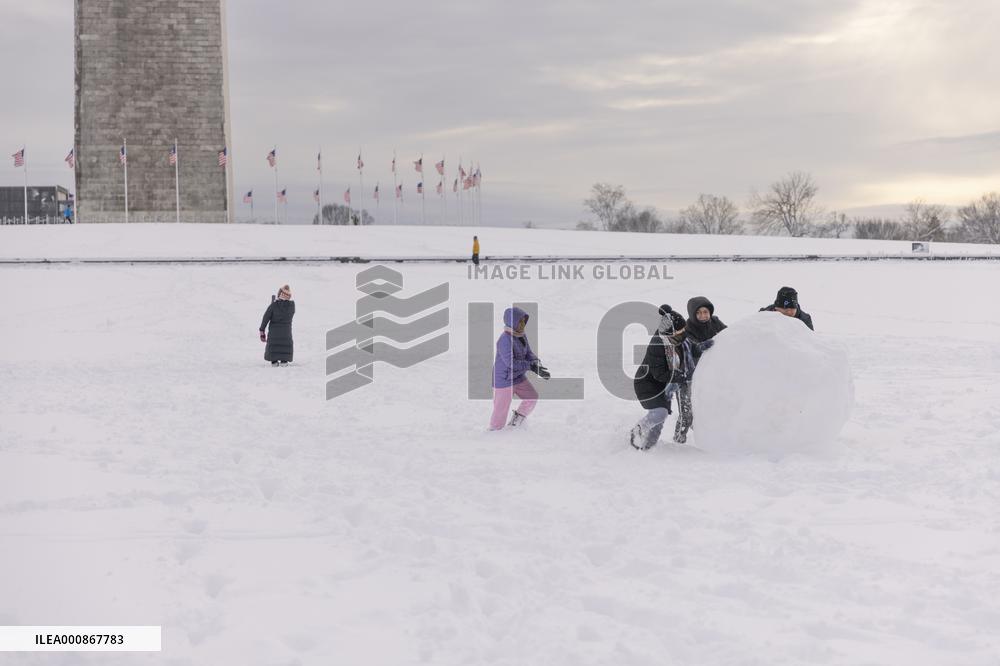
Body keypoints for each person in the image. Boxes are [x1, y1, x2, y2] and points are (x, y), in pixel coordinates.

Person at [630, 305, 714, 449]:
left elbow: (691, 347)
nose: (684, 334)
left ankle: (648, 447)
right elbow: (659, 374)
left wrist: (701, 347)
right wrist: (679, 376)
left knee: (660, 421)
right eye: (680, 332)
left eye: (684, 330)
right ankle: (637, 430)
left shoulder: (678, 339)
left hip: (664, 386)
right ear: (671, 333)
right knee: (660, 413)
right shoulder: (657, 345)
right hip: (647, 385)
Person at [490, 306, 550, 430]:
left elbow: (528, 352)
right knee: (501, 410)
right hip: (505, 379)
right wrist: (530, 366)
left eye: (524, 321)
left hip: (517, 376)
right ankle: (494, 432)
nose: (523, 324)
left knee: (532, 397)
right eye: (520, 321)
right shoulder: (504, 340)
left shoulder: (521, 335)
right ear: (513, 322)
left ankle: (515, 422)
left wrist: (536, 364)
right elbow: (511, 363)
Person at [259, 284, 295, 366]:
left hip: (274, 333)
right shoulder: (292, 306)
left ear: (279, 294)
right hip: (286, 333)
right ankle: (284, 362)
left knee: (274, 347)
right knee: (285, 346)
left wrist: (262, 330)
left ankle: (274, 362)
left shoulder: (273, 306)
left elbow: (266, 318)